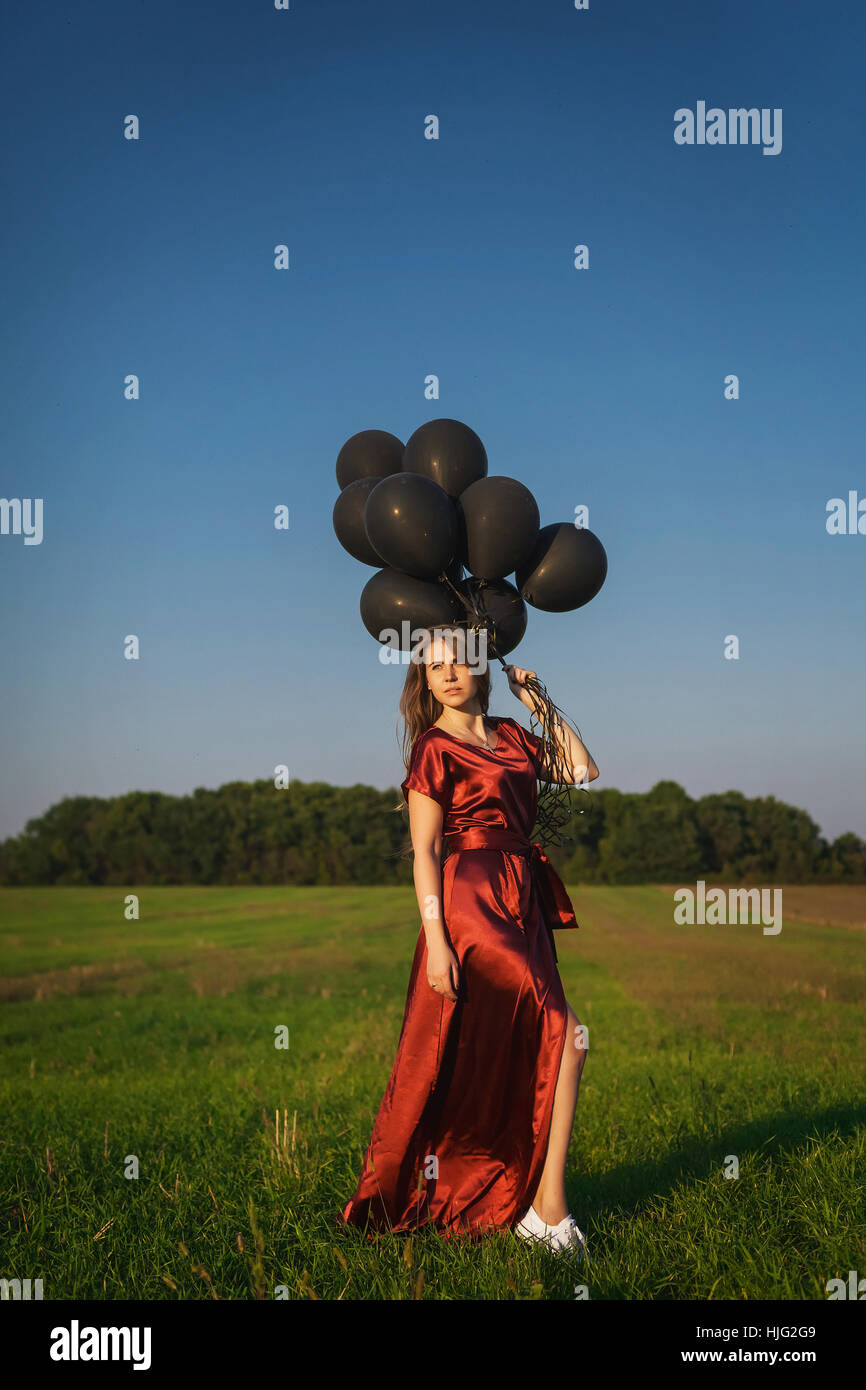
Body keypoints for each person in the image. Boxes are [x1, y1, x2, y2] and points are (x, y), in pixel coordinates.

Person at [337, 624, 599, 1255]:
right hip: (469, 900)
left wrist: (536, 698)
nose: (447, 673)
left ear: (481, 668)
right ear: (424, 682)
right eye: (433, 668)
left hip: (523, 894)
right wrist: (436, 938)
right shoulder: (434, 747)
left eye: (458, 662)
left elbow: (582, 769)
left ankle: (530, 1197)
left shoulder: (512, 734)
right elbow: (425, 850)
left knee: (541, 1044)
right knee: (566, 1039)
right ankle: (549, 1212)